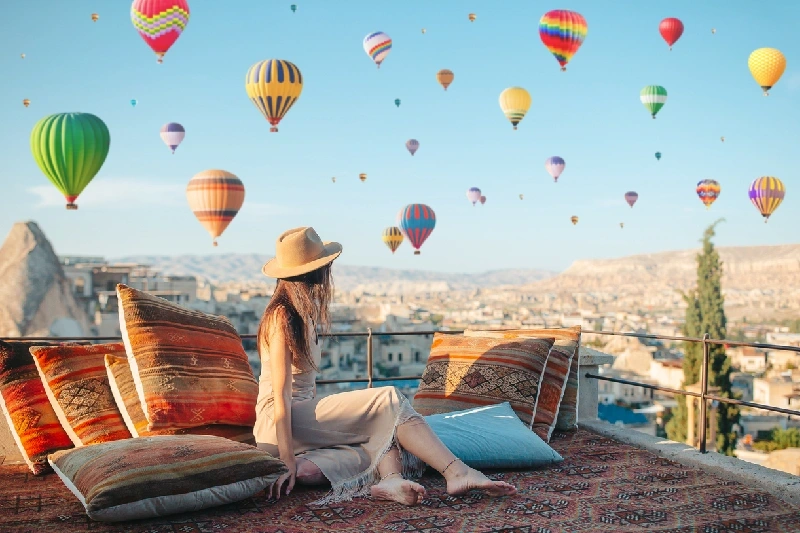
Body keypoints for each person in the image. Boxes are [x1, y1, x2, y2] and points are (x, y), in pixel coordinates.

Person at [254, 227, 517, 506]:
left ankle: (390, 480)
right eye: (326, 264)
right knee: (388, 399)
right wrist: (286, 461)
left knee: (373, 439)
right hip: (280, 423)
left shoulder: (302, 313)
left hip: (303, 421)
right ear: (313, 270)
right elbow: (281, 397)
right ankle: (456, 471)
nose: (329, 270)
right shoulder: (281, 317)